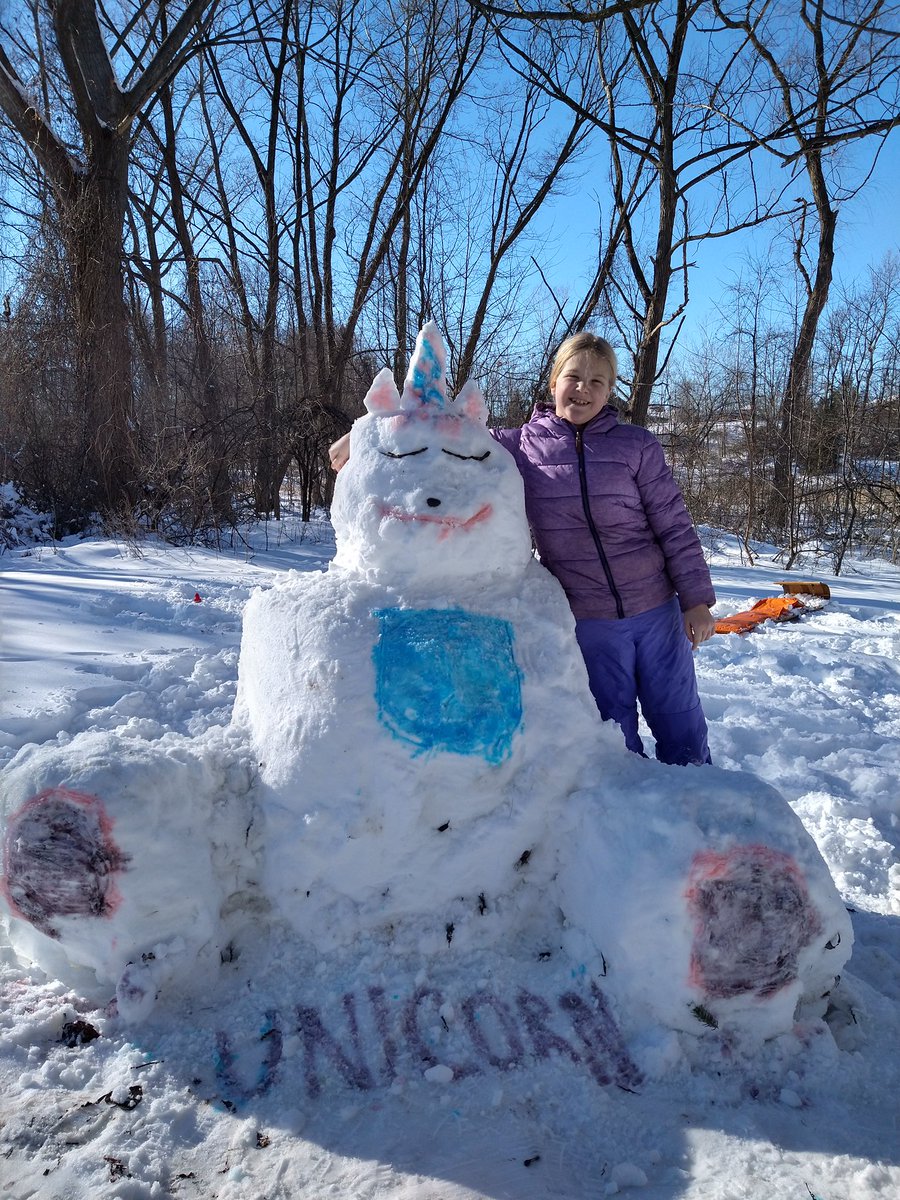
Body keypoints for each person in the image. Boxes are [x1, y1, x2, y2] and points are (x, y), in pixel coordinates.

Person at [329, 331, 716, 766]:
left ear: (610, 391)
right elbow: (447, 434)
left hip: (656, 610)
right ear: (554, 382)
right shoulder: (522, 446)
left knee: (679, 717)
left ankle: (699, 797)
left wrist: (695, 600)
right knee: (614, 729)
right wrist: (360, 436)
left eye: (597, 382)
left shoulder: (636, 446)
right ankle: (631, 802)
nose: (583, 389)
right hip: (589, 620)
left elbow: (674, 526)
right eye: (573, 377)